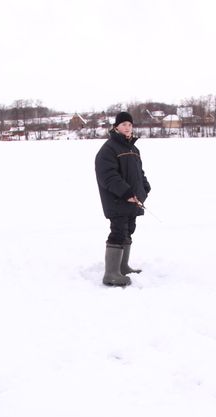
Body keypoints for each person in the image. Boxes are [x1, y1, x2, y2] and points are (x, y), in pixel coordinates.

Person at [94, 111, 151, 286]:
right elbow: (108, 176)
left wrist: (144, 189)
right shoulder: (109, 149)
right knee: (118, 232)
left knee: (129, 230)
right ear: (116, 127)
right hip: (117, 199)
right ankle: (111, 274)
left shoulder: (133, 149)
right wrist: (126, 193)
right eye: (124, 124)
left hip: (133, 200)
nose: (127, 127)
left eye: (130, 124)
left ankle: (123, 266)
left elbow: (139, 174)